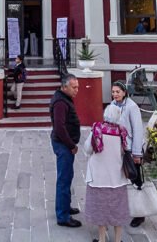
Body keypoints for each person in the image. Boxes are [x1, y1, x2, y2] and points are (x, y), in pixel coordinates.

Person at [83, 103, 131, 242]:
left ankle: (102, 239)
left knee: (101, 209)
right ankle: (117, 239)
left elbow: (87, 149)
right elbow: (124, 151)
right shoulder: (122, 132)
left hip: (98, 177)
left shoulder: (97, 129)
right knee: (118, 209)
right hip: (117, 177)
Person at [110, 80, 146, 228]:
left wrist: (137, 153)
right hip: (118, 148)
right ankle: (123, 208)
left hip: (131, 149)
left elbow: (138, 130)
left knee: (135, 180)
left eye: (118, 92)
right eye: (113, 92)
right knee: (120, 179)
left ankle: (139, 214)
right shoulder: (112, 105)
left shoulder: (132, 107)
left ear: (124, 92)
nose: (115, 94)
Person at [50, 73, 82, 228]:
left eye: (77, 87)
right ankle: (63, 216)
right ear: (64, 87)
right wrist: (71, 145)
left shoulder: (65, 98)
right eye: (74, 87)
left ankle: (65, 206)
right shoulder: (60, 103)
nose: (77, 90)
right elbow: (60, 128)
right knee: (64, 179)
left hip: (65, 144)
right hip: (63, 145)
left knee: (68, 176)